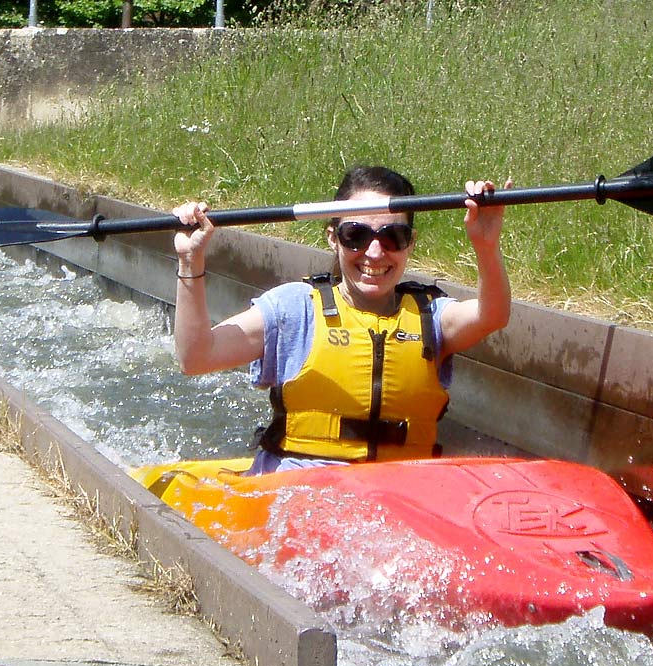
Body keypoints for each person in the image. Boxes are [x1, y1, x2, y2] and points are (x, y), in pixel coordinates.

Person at [171, 166, 512, 475]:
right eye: (356, 235)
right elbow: (196, 357)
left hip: (405, 489)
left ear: (410, 244)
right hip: (301, 483)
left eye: (393, 237)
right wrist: (190, 259)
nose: (375, 253)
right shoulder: (295, 309)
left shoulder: (432, 316)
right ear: (333, 238)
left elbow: (492, 314)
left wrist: (486, 244)